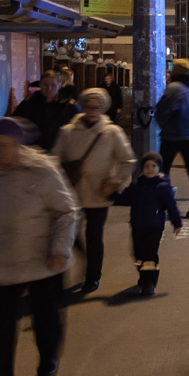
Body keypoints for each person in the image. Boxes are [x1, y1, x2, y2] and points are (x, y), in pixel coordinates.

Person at [0, 116, 80, 376]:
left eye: (6, 145)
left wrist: (59, 249)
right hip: (2, 266)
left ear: (19, 144)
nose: (1, 152)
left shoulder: (41, 170)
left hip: (43, 261)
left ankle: (47, 364)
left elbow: (67, 211)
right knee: (0, 331)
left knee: (46, 323)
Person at [51, 89, 134, 294]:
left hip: (99, 192)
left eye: (96, 107)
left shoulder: (112, 132)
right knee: (68, 234)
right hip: (71, 193)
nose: (92, 111)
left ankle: (93, 276)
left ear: (103, 108)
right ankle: (80, 262)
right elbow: (53, 161)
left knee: (94, 236)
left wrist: (114, 183)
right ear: (83, 106)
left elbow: (127, 160)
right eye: (88, 106)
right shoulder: (68, 131)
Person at [110, 152, 183, 297]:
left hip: (154, 226)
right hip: (137, 225)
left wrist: (177, 222)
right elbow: (126, 198)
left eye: (153, 166)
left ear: (159, 168)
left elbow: (171, 205)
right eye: (146, 166)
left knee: (149, 254)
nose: (150, 169)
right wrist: (111, 196)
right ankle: (143, 277)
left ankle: (149, 282)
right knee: (138, 254)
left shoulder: (162, 186)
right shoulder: (137, 184)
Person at [154, 59, 189, 220]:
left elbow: (162, 111)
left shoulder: (173, 88)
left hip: (172, 135)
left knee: (164, 170)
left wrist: (163, 124)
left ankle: (163, 204)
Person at [13, 71, 78, 152]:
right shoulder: (30, 103)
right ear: (40, 84)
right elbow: (16, 121)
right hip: (32, 152)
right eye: (45, 84)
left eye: (53, 85)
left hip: (57, 153)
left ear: (59, 85)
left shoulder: (68, 106)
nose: (49, 88)